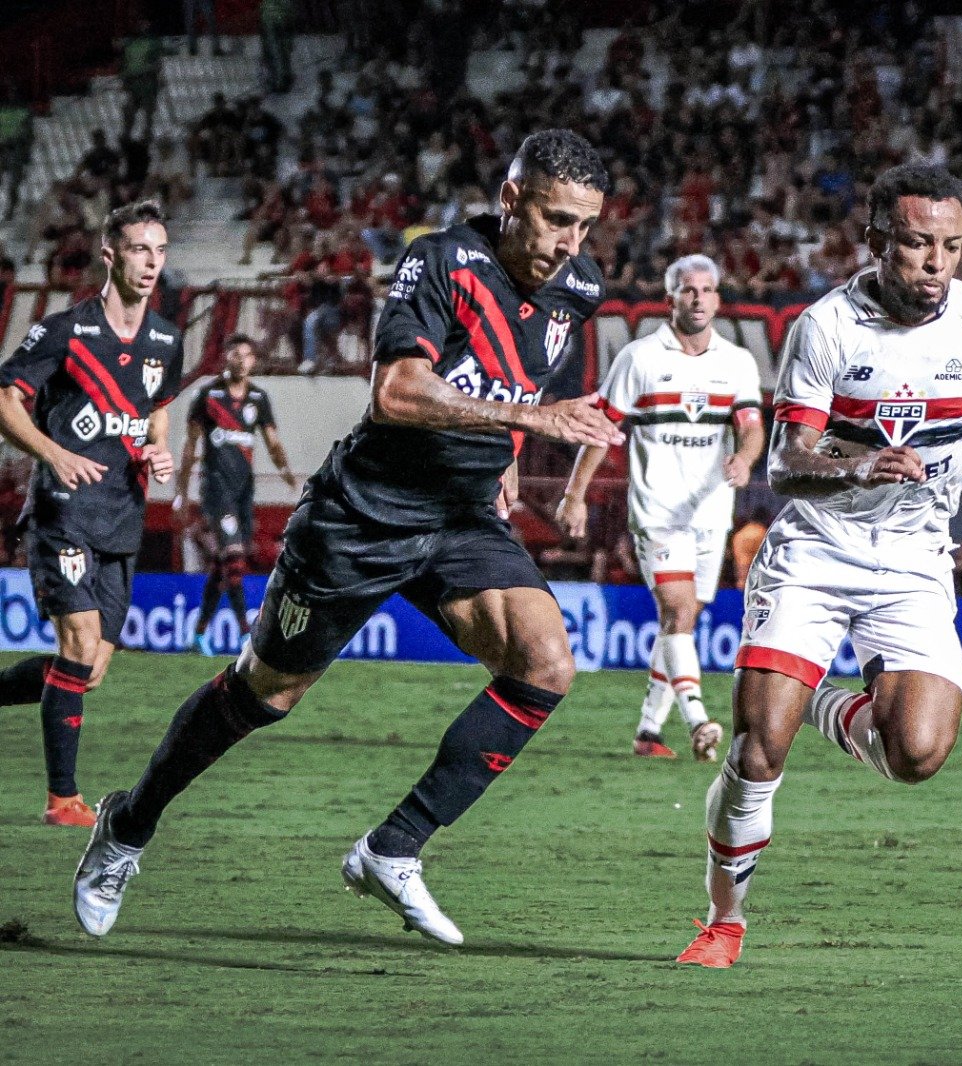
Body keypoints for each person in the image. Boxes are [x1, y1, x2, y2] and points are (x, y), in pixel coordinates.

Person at [71, 130, 622, 944]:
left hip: (459, 517)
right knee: (265, 695)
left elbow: (515, 374)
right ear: (512, 200)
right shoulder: (440, 263)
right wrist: (527, 420)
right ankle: (128, 823)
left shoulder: (578, 286)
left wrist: (505, 457)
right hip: (362, 516)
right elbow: (397, 392)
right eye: (553, 219)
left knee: (546, 663)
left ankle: (393, 848)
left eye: (584, 224)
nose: (567, 242)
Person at [675, 163, 962, 968]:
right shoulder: (827, 328)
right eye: (915, 244)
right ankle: (723, 920)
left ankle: (825, 707)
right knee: (758, 747)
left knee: (916, 755)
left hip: (916, 558)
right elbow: (785, 463)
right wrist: (857, 466)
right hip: (817, 548)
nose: (936, 263)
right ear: (875, 242)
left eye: (950, 245)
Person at [0, 200, 180, 826]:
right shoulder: (62, 332)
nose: (152, 261)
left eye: (160, 249)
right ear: (111, 254)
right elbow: (5, 399)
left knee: (88, 669)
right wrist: (51, 454)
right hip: (64, 512)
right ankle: (62, 800)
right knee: (76, 643)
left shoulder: (166, 339)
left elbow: (158, 405)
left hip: (121, 520)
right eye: (139, 249)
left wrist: (159, 448)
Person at [557, 254, 765, 762]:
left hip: (711, 514)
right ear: (669, 299)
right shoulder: (639, 358)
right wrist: (574, 494)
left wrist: (744, 456)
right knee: (676, 610)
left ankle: (649, 733)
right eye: (687, 290)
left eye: (707, 289)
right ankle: (699, 720)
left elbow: (753, 427)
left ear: (718, 298)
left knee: (684, 621)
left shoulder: (736, 361)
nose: (698, 298)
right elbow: (602, 430)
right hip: (658, 512)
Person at [173, 333, 297, 654]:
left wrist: (285, 471)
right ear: (225, 357)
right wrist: (181, 493)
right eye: (234, 354)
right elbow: (189, 447)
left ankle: (199, 635)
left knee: (222, 563)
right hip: (216, 488)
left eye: (246, 355)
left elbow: (272, 441)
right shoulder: (207, 396)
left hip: (244, 490)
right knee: (235, 555)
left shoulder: (258, 399)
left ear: (254, 361)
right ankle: (246, 632)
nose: (240, 360)